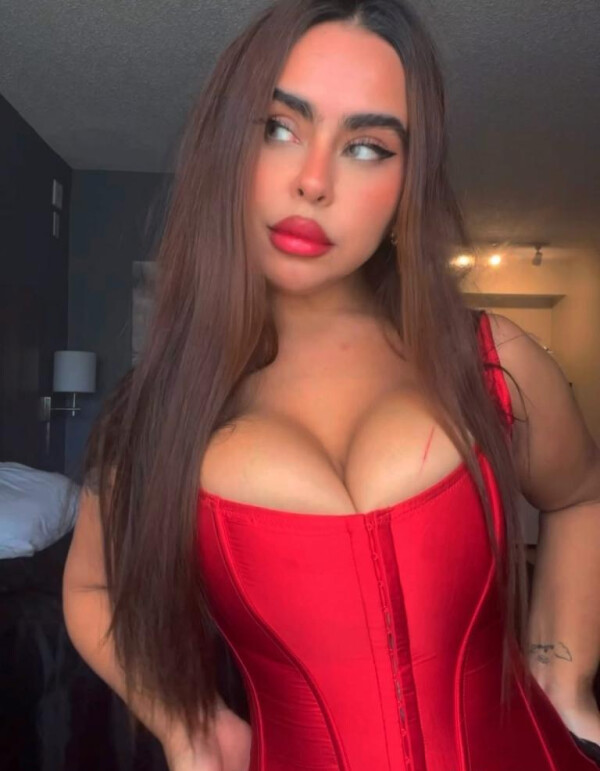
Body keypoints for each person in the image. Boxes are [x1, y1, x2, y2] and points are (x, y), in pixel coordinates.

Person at [62, 1, 600, 769]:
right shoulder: (156, 415)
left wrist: (564, 673)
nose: (313, 181)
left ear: (408, 183)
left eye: (368, 147)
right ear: (227, 144)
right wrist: (189, 727)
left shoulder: (489, 358)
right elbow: (90, 590)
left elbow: (581, 495)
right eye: (279, 127)